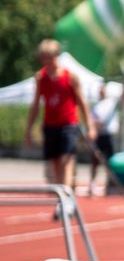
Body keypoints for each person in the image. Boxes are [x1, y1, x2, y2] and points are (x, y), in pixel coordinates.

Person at [24, 41, 96, 217]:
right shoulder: (41, 78)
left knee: (66, 160)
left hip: (68, 125)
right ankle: (63, 198)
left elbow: (82, 102)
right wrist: (28, 129)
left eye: (50, 58)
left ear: (56, 56)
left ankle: (66, 200)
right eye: (44, 59)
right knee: (55, 165)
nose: (47, 62)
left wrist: (90, 126)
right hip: (50, 126)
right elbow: (35, 105)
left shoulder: (70, 77)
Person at [87, 78, 124, 197]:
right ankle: (92, 184)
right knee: (95, 161)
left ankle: (110, 185)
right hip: (98, 136)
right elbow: (92, 121)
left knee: (110, 162)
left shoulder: (111, 103)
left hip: (108, 136)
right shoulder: (95, 105)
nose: (101, 91)